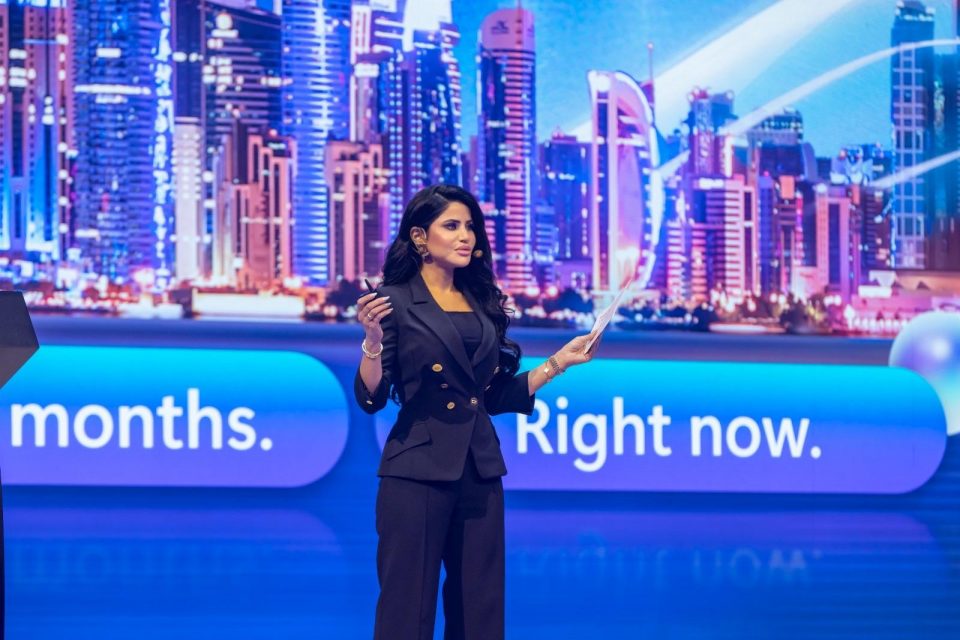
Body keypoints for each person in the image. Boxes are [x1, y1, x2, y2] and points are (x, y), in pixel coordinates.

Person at [354, 184, 600, 640]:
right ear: (420, 237)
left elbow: (491, 396)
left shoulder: (483, 301)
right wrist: (371, 342)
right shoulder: (394, 301)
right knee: (407, 611)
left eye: (470, 226)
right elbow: (371, 396)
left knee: (480, 611)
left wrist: (557, 364)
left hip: (480, 471)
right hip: (416, 472)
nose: (466, 235)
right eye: (452, 226)